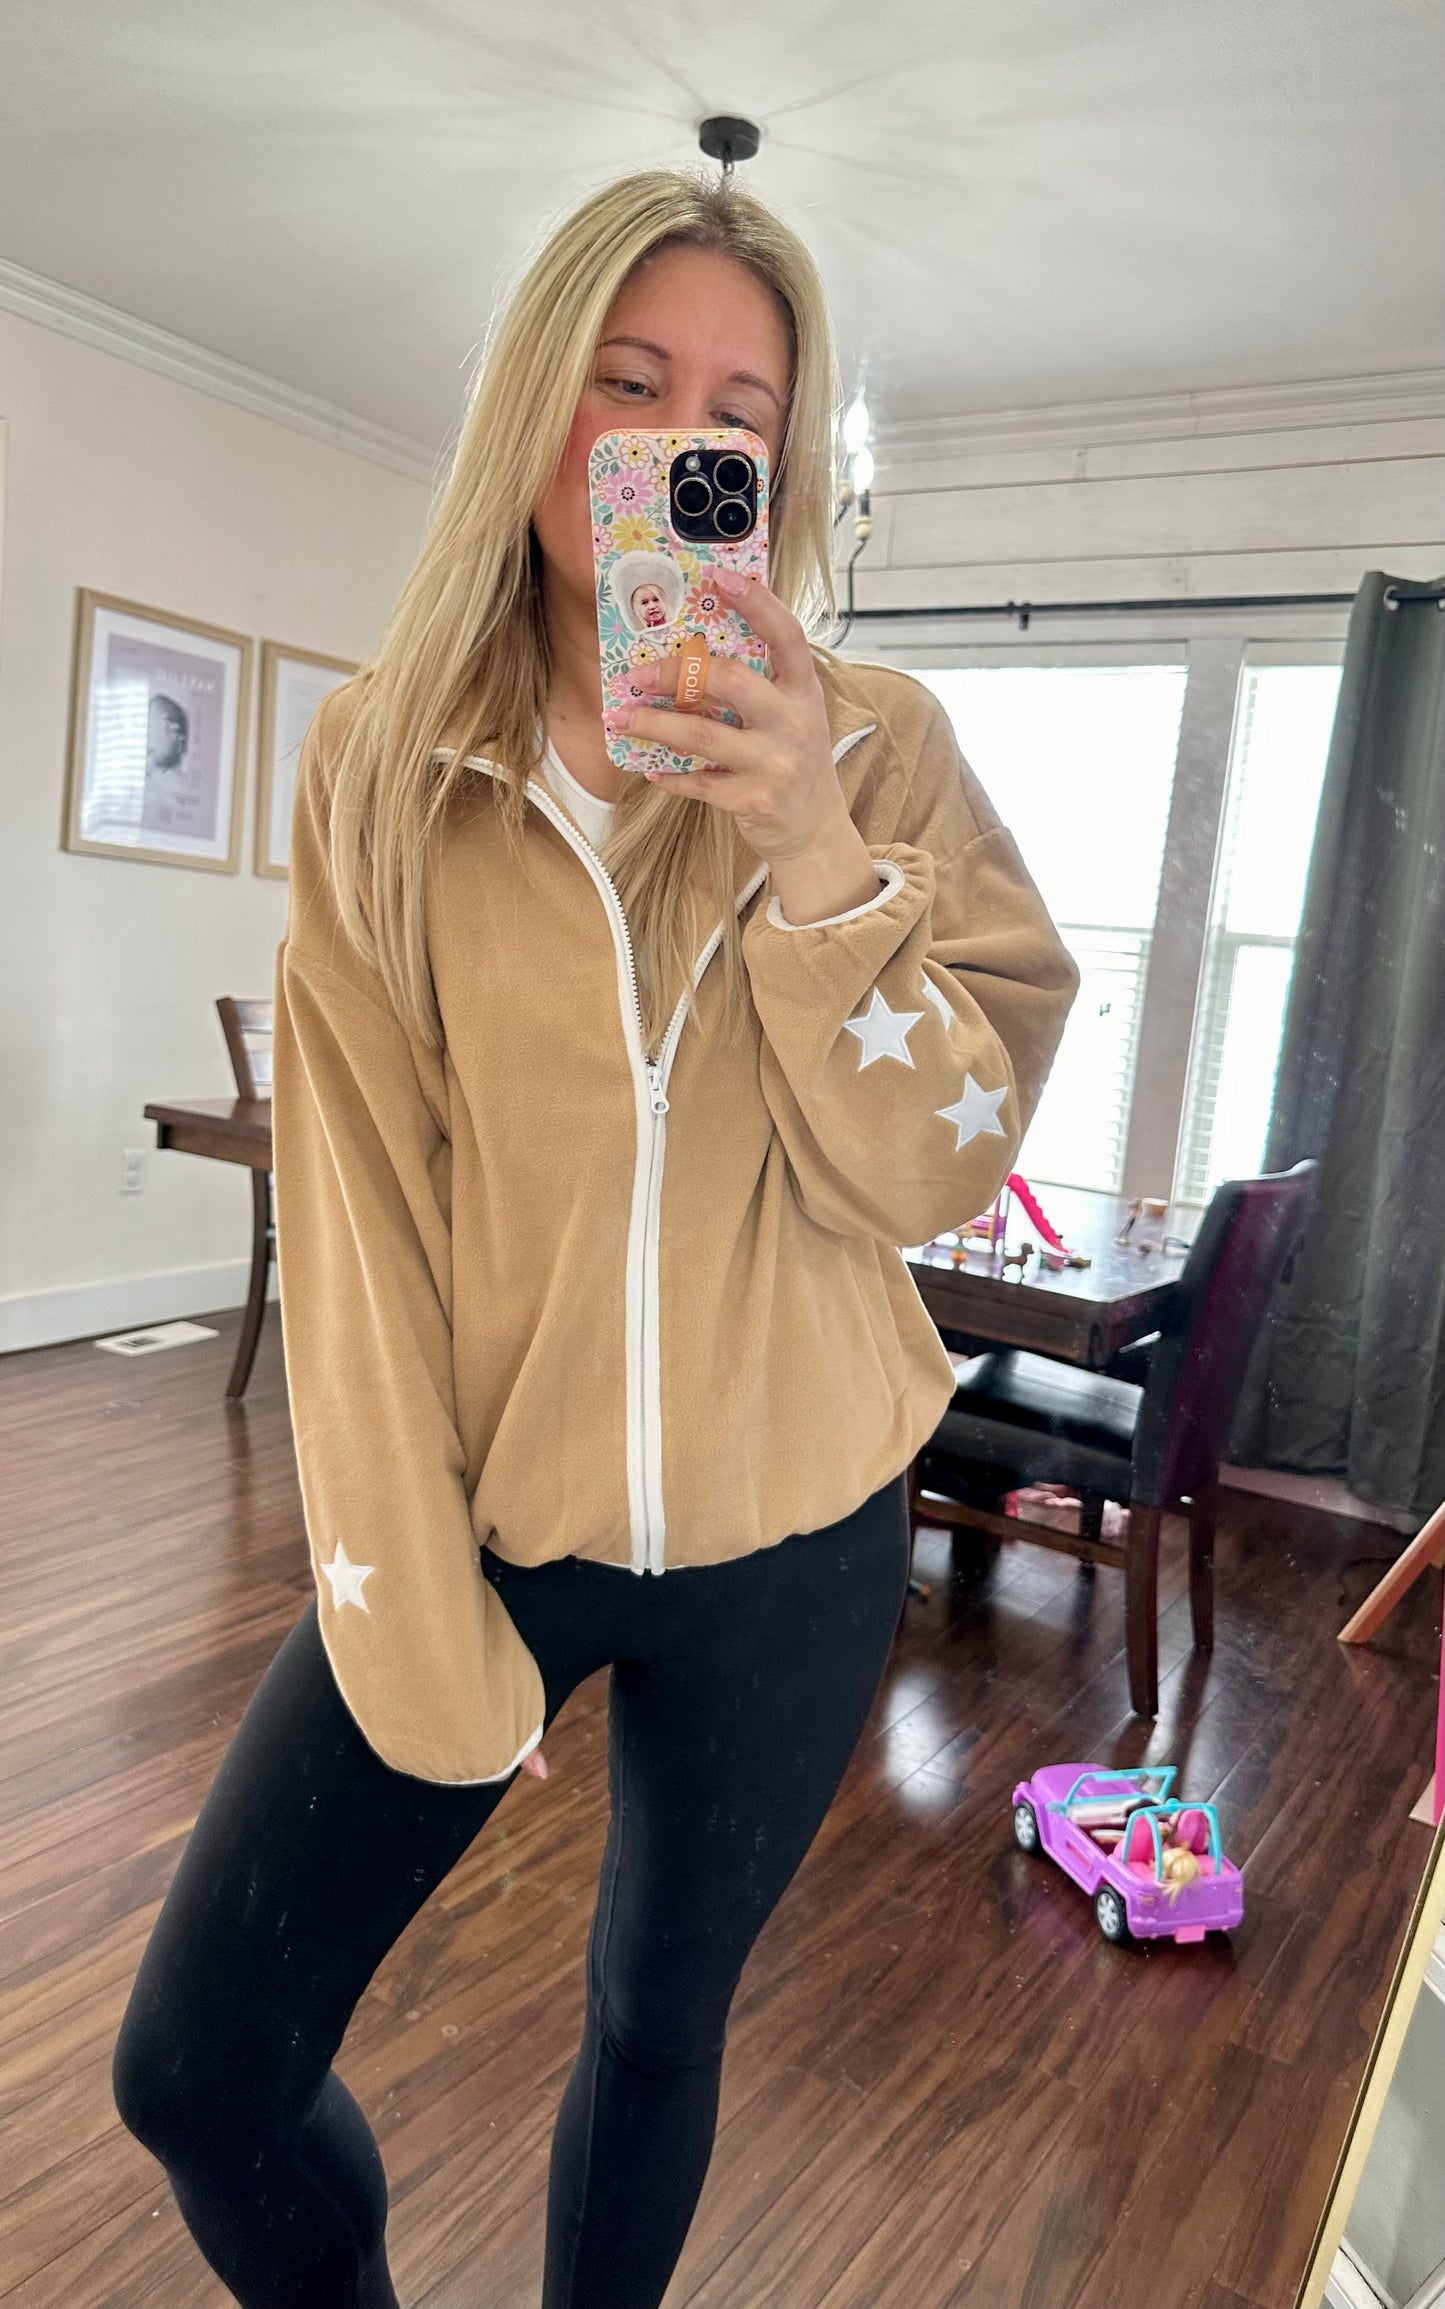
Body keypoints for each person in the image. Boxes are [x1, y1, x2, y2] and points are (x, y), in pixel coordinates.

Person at [111, 166, 1079, 2309]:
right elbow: (357, 1217)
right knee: (200, 2070)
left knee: (658, 2027)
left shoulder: (883, 747)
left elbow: (928, 1170)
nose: (678, 444)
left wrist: (810, 844)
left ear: (781, 470)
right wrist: (410, 1611)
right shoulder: (381, 765)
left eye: (738, 411)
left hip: (800, 1525)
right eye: (626, 383)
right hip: (494, 1513)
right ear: (534, 404)